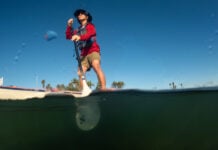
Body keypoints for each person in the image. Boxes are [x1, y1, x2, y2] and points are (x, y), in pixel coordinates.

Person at [66, 9, 106, 90]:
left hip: (93, 51)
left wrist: (79, 37)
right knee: (80, 73)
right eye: (78, 14)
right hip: (83, 55)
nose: (79, 14)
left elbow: (91, 33)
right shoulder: (77, 30)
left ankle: (103, 89)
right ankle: (84, 90)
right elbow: (68, 36)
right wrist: (69, 26)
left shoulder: (90, 26)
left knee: (96, 65)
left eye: (82, 13)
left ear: (87, 17)